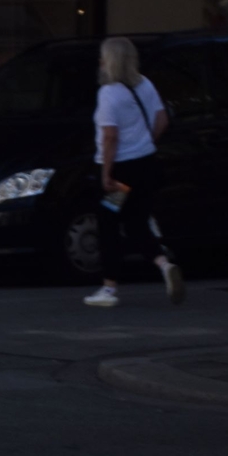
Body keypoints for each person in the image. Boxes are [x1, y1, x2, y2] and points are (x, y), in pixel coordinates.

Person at [84, 36, 183, 308]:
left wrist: (106, 174)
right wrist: (144, 142)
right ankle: (164, 266)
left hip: (120, 173)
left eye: (103, 57)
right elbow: (162, 119)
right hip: (147, 164)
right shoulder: (145, 85)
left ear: (110, 61)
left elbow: (110, 137)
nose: (100, 61)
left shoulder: (109, 93)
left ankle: (109, 288)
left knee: (108, 223)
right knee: (137, 222)